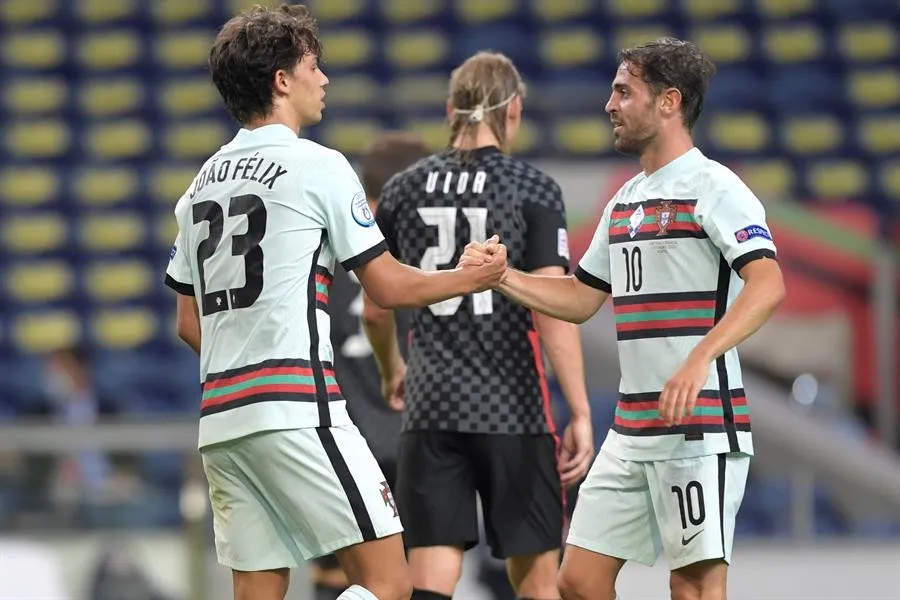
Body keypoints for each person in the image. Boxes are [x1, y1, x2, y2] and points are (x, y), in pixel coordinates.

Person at [162, 6, 507, 600]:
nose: (323, 80)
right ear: (281, 80)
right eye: (313, 67)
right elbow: (387, 288)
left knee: (258, 589)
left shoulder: (200, 185)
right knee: (388, 584)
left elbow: (188, 322)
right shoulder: (319, 166)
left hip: (223, 421)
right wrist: (469, 278)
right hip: (300, 410)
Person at [460, 38, 787, 600]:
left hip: (698, 424)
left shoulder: (714, 187)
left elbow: (768, 283)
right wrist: (504, 278)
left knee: (693, 586)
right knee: (579, 581)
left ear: (668, 102)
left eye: (622, 91)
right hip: (632, 428)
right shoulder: (626, 199)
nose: (609, 105)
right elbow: (583, 297)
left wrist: (700, 357)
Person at [365, 51, 595, 600]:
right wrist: (581, 409)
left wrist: (393, 368)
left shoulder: (402, 189)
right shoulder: (532, 189)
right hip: (513, 407)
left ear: (451, 110)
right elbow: (554, 307)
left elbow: (375, 307)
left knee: (432, 576)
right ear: (512, 111)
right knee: (537, 581)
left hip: (431, 405)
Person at [312, 132, 431, 600]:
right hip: (413, 442)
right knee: (417, 575)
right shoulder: (426, 259)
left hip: (339, 444)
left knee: (335, 577)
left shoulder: (322, 255)